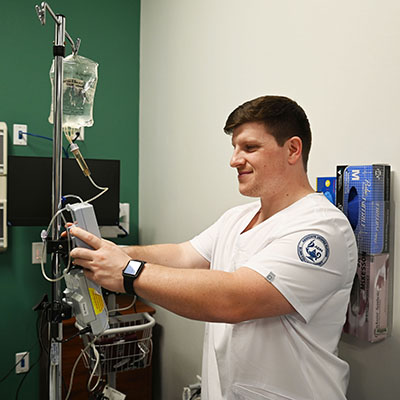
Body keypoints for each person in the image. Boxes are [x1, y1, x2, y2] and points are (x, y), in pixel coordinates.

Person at [70, 95, 357, 400]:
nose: (234, 160)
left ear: (292, 149)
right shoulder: (239, 217)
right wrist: (109, 252)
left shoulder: (320, 229)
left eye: (249, 148)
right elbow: (183, 256)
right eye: (234, 149)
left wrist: (128, 272)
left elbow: (235, 300)